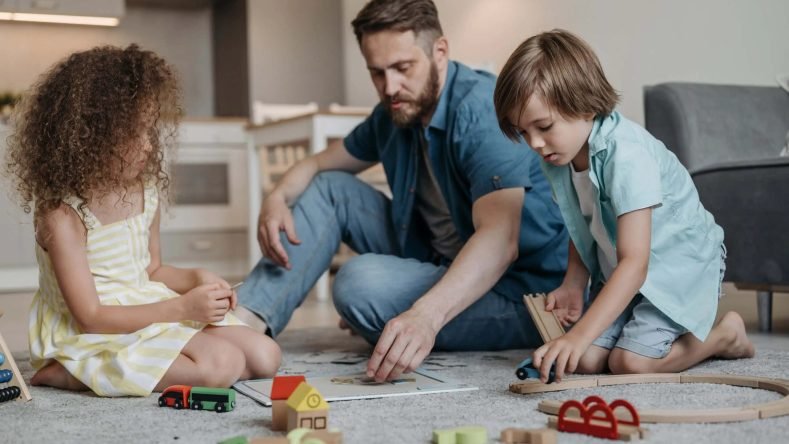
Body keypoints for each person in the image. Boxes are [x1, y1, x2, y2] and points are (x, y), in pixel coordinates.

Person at [235, 0, 568, 382]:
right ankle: (246, 322)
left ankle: (399, 315)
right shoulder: (395, 110)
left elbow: (499, 241)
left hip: (518, 291)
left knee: (358, 285)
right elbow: (317, 164)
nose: (389, 86)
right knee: (329, 188)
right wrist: (277, 196)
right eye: (377, 73)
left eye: (402, 68)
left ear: (439, 51)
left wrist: (423, 315)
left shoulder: (481, 111)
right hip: (439, 257)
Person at [5, 44, 280, 397]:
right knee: (222, 364)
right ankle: (70, 370)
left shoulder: (145, 192)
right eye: (137, 132)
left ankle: (148, 356)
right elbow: (89, 315)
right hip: (93, 331)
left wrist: (196, 278)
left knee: (265, 354)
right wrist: (181, 307)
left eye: (151, 130)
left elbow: (152, 270)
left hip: (148, 309)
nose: (150, 145)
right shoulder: (63, 215)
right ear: (93, 135)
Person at [493, 29, 755, 383]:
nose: (535, 143)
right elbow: (579, 221)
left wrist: (577, 334)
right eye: (523, 132)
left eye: (543, 126)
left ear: (584, 104)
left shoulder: (627, 155)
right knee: (584, 359)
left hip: (676, 268)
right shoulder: (557, 155)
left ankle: (724, 335)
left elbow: (637, 263)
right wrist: (574, 281)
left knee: (629, 363)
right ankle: (649, 329)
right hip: (622, 269)